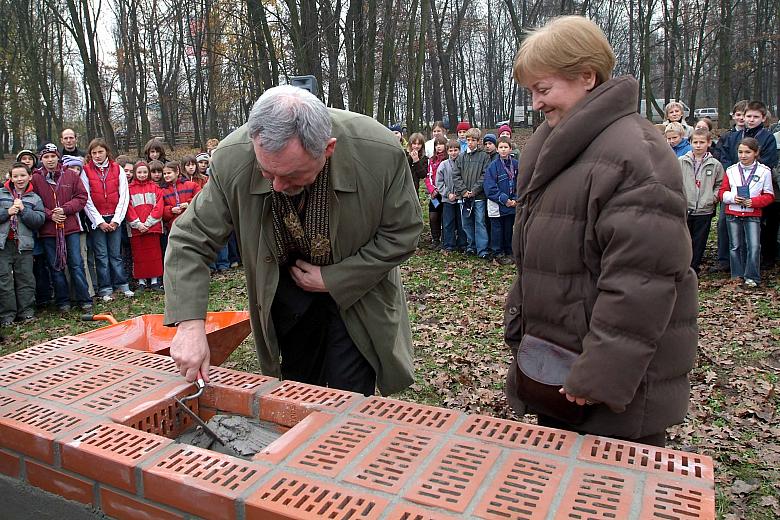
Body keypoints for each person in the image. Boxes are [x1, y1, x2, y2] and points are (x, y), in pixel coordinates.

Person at [504, 15, 697, 447]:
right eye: (531, 91)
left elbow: (641, 282)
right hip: (561, 369)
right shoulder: (560, 145)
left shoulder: (634, 156)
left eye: (543, 89)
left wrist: (598, 374)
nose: (535, 103)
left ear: (586, 76)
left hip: (608, 393)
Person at [163, 85, 422, 397]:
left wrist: (333, 279)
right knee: (297, 392)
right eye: (266, 172)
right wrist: (190, 326)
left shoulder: (378, 153)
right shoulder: (233, 160)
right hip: (285, 293)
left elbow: (403, 231)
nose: (276, 185)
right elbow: (190, 239)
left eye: (291, 175)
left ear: (327, 149)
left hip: (356, 295)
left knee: (349, 395)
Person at [31, 143, 92, 312]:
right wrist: (50, 214)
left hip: (70, 227)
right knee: (56, 267)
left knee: (76, 264)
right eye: (46, 157)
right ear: (41, 159)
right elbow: (33, 201)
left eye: (52, 156)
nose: (50, 160)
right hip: (49, 230)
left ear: (58, 156)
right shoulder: (36, 178)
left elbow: (81, 197)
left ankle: (84, 299)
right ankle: (63, 301)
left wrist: (65, 209)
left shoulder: (70, 175)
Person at [81, 138, 133, 301]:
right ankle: (105, 288)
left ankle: (122, 284)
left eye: (100, 152)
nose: (97, 156)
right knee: (101, 255)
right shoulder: (86, 171)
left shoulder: (117, 169)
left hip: (114, 217)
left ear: (106, 152)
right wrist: (99, 221)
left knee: (116, 254)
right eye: (94, 153)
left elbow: (124, 196)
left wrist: (117, 219)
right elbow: (86, 198)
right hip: (97, 219)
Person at [718, 137, 774, 288]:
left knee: (754, 246)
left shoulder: (764, 172)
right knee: (735, 246)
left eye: (747, 152)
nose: (743, 155)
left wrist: (754, 202)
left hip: (752, 214)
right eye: (740, 152)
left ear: (756, 153)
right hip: (733, 213)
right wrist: (732, 198)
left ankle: (752, 276)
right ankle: (737, 275)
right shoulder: (731, 170)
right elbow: (722, 192)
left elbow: (769, 195)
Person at [0, 163, 45, 325]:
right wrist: (7, 212)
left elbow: (39, 221)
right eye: (16, 176)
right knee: (4, 280)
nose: (19, 179)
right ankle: (7, 315)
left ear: (30, 176)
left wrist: (24, 210)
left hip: (24, 245)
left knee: (25, 279)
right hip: (3, 245)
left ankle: (26, 312)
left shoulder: (34, 198)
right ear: (10, 178)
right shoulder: (1, 194)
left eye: (23, 175)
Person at [679, 128, 724, 274]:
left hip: (704, 208)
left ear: (709, 143)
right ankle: (683, 266)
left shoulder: (715, 164)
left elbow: (720, 183)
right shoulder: (681, 161)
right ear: (690, 143)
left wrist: (713, 197)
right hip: (686, 206)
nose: (698, 145)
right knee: (685, 239)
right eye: (695, 142)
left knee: (699, 241)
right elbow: (675, 181)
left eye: (702, 142)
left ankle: (693, 268)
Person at [126, 161, 165, 292]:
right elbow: (128, 208)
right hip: (136, 229)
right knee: (139, 255)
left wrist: (148, 223)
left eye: (144, 172)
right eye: (139, 172)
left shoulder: (155, 188)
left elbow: (159, 207)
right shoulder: (129, 189)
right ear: (135, 173)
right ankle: (141, 282)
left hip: (152, 228)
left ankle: (154, 280)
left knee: (154, 254)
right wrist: (137, 224)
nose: (142, 175)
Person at [453, 127, 490, 259]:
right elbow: (456, 175)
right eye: (468, 140)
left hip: (478, 196)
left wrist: (474, 190)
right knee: (466, 222)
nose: (470, 143)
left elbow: (484, 175)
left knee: (480, 222)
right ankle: (471, 246)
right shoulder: (461, 157)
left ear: (478, 141)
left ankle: (482, 249)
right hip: (464, 196)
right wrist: (463, 191)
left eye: (473, 140)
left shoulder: (484, 157)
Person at [483, 137, 517, 264]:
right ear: (497, 149)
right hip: (497, 204)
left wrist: (515, 198)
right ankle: (497, 252)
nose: (503, 150)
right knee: (497, 229)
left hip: (511, 204)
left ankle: (509, 251)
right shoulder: (493, 166)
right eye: (501, 147)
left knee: (509, 228)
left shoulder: (516, 164)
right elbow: (489, 187)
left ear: (510, 149)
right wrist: (504, 199)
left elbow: (520, 182)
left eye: (506, 147)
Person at [435, 139, 466, 253]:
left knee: (462, 221)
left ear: (459, 150)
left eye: (456, 150)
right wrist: (448, 193)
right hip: (447, 200)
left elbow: (465, 180)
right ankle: (449, 244)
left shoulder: (463, 163)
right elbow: (439, 182)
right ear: (447, 151)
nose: (453, 153)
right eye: (451, 150)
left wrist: (461, 193)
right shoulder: (443, 165)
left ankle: (463, 243)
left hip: (461, 199)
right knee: (448, 222)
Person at [160, 161, 201, 228]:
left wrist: (188, 204)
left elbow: (200, 199)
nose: (166, 175)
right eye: (164, 174)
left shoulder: (191, 185)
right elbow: (161, 209)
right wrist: (171, 210)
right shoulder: (162, 190)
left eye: (169, 173)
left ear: (177, 172)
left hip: (192, 223)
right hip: (174, 226)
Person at [425, 135, 447, 249]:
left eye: (441, 144)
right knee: (433, 216)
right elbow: (428, 176)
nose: (439, 147)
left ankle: (445, 239)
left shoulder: (448, 159)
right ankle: (435, 239)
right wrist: (432, 189)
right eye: (436, 145)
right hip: (434, 194)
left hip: (445, 193)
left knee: (444, 217)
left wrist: (442, 189)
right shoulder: (432, 160)